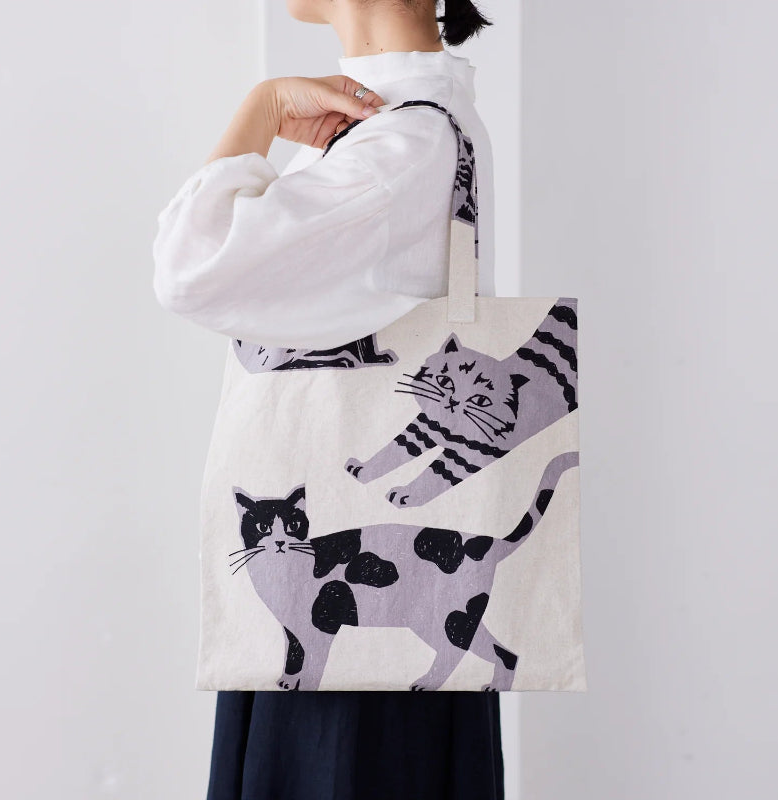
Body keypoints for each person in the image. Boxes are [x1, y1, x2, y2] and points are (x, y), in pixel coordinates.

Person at [152, 1, 504, 798]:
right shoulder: (404, 129)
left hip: (355, 626)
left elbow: (189, 269)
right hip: (348, 604)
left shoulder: (404, 143)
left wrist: (262, 110)